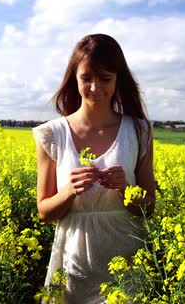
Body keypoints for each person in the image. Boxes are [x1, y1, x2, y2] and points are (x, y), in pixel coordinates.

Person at [33, 33, 156, 303]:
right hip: (73, 264)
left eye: (105, 79)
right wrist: (69, 191)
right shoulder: (51, 134)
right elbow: (44, 212)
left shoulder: (139, 131)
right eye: (86, 78)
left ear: (118, 79)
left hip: (127, 262)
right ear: (73, 78)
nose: (94, 88)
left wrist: (127, 190)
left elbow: (149, 207)